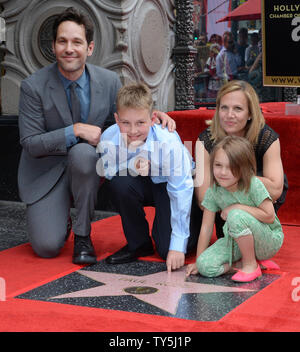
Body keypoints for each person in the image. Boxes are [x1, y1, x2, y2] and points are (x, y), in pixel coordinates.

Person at [18, 7, 174, 265]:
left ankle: (82, 235)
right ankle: (63, 217)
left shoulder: (109, 81)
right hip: (47, 171)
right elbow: (30, 143)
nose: (69, 48)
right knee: (46, 247)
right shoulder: (32, 86)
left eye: (77, 42)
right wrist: (75, 130)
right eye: (62, 41)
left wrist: (154, 118)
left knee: (82, 154)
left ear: (89, 48)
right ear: (54, 46)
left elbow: (129, 115)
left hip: (93, 168)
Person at [97, 83, 198, 272]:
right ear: (116, 119)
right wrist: (132, 165)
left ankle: (195, 222)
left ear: (153, 119)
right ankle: (138, 243)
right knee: (120, 184)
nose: (133, 130)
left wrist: (178, 246)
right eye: (126, 123)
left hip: (172, 184)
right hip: (141, 183)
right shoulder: (109, 138)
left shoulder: (168, 142)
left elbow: (180, 190)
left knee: (167, 247)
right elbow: (109, 172)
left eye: (140, 123)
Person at [194, 80, 288, 239]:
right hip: (222, 211)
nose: (229, 115)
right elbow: (203, 198)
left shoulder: (266, 138)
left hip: (258, 210)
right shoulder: (205, 141)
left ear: (250, 113)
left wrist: (232, 180)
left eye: (237, 108)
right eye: (224, 108)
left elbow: (275, 190)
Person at [186, 136, 284, 282]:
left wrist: (237, 207)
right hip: (236, 241)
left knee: (235, 215)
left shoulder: (253, 184)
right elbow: (206, 228)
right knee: (204, 266)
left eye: (231, 166)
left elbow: (269, 216)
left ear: (244, 168)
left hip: (267, 239)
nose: (223, 172)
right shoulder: (214, 191)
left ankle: (250, 264)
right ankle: (241, 263)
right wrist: (198, 260)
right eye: (218, 165)